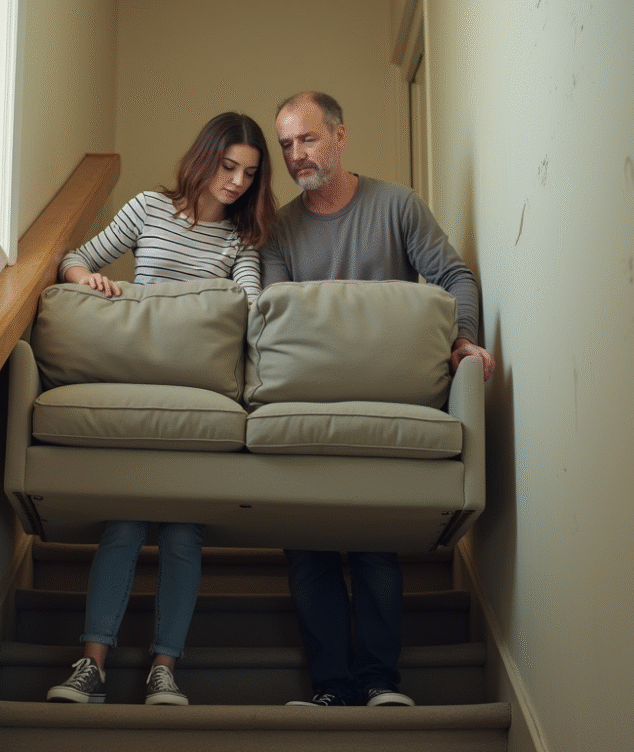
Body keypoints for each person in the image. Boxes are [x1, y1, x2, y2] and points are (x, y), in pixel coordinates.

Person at [262, 91, 495, 708]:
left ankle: (380, 683)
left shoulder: (397, 206)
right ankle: (332, 688)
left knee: (372, 544)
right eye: (285, 144)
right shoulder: (279, 231)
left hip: (385, 406)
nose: (295, 155)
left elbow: (455, 276)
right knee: (308, 546)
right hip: (306, 408)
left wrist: (464, 341)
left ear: (339, 138)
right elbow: (276, 320)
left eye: (307, 139)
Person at [45, 112, 277, 706]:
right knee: (124, 523)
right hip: (140, 384)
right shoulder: (149, 209)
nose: (235, 182)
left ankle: (164, 669)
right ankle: (91, 663)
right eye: (228, 167)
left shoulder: (240, 241)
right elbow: (74, 258)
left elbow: (253, 309)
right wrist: (90, 280)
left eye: (248, 174)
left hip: (200, 394)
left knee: (181, 533)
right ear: (204, 158)